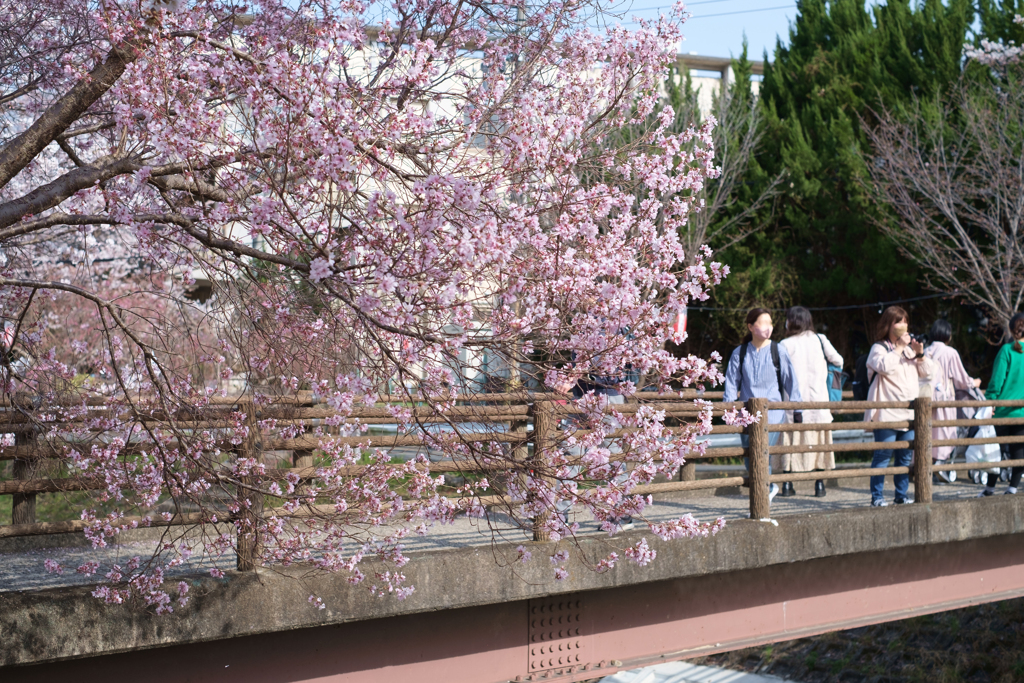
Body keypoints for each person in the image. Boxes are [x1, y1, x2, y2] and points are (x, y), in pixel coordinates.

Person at [723, 307, 803, 502]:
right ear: (750, 326)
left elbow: (791, 380)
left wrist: (797, 408)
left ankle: (763, 494)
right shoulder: (740, 352)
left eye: (770, 323)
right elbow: (731, 383)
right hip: (746, 412)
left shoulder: (778, 350)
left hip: (772, 412)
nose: (767, 327)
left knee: (762, 450)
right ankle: (768, 485)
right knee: (748, 455)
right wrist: (729, 409)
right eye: (762, 323)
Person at [864, 306, 936, 507]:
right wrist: (898, 348)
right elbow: (884, 367)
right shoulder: (879, 348)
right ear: (888, 325)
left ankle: (901, 496)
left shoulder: (910, 351)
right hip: (887, 413)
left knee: (905, 459)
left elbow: (929, 373)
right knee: (882, 457)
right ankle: (877, 497)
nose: (903, 326)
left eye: (905, 321)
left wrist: (920, 354)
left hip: (909, 414)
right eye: (898, 321)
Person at [777, 306, 843, 497]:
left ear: (791, 321)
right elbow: (838, 361)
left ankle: (787, 484)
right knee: (819, 443)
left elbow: (779, 373)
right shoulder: (820, 339)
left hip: (793, 406)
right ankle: (819, 485)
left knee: (790, 444)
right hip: (819, 403)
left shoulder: (784, 344)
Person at [924, 319, 981, 482]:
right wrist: (974, 383)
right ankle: (941, 464)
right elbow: (961, 379)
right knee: (946, 431)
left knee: (928, 431)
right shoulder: (950, 352)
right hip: (944, 399)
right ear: (947, 335)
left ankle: (927, 466)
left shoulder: (925, 351)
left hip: (925, 398)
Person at [979, 312, 1024, 496]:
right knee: (1019, 451)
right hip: (1022, 413)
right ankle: (1012, 488)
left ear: (1011, 329)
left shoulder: (1007, 351)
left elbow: (996, 382)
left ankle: (990, 488)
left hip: (1003, 412)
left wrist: (989, 402)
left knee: (994, 451)